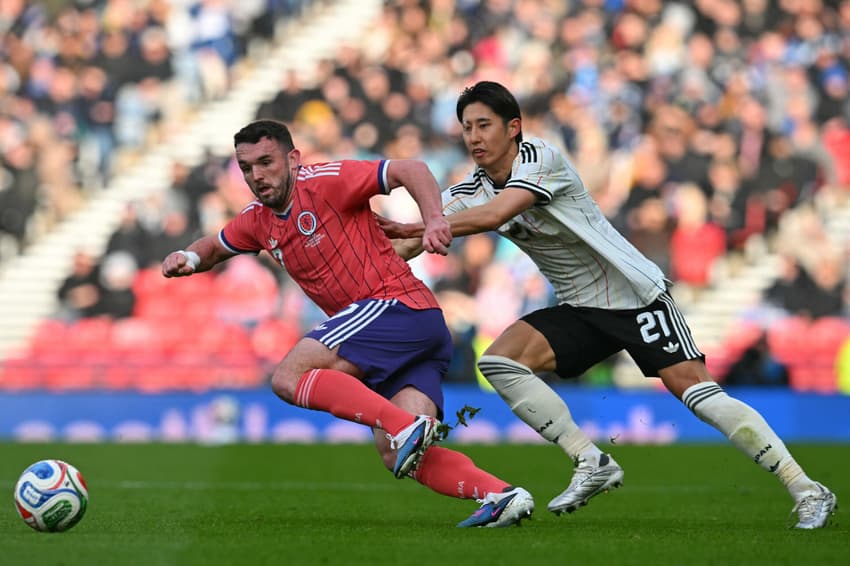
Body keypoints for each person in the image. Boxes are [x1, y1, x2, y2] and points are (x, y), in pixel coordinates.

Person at [380, 81, 837, 529]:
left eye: (485, 125)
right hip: (580, 307)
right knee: (500, 361)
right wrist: (372, 255)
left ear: (513, 127)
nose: (475, 137)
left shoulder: (541, 158)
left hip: (634, 296)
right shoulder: (468, 191)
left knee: (700, 396)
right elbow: (415, 241)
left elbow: (496, 214)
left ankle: (808, 489)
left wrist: (422, 227)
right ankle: (590, 460)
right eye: (467, 128)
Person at [161, 119, 533, 527]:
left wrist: (434, 220)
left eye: (266, 162)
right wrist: (190, 258)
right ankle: (501, 495)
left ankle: (405, 426)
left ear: (293, 159)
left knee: (289, 376)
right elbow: (214, 246)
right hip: (410, 331)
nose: (257, 175)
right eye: (247, 167)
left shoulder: (328, 181)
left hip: (393, 306)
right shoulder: (257, 221)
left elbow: (413, 169)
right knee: (398, 454)